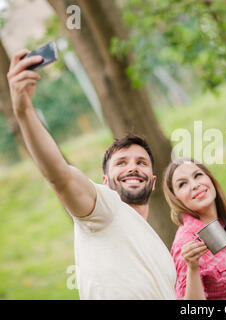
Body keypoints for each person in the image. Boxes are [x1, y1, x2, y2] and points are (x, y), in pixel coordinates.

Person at [7, 49, 176, 299]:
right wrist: (24, 111)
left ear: (152, 182)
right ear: (105, 182)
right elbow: (59, 176)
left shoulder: (161, 250)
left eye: (141, 162)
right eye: (121, 163)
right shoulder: (104, 209)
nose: (132, 167)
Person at [163, 158, 226, 299]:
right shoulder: (185, 244)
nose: (195, 185)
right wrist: (193, 268)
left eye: (198, 175)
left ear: (210, 179)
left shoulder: (224, 224)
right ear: (176, 198)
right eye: (183, 184)